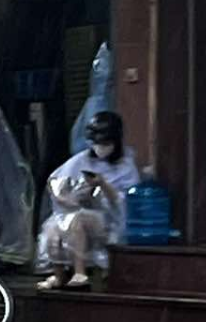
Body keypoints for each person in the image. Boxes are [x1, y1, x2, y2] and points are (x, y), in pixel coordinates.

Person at [36, 110, 139, 291]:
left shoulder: (126, 166)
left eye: (105, 143)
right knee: (53, 226)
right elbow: (55, 180)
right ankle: (59, 276)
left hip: (110, 221)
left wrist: (103, 184)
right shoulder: (82, 160)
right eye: (96, 143)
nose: (100, 148)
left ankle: (80, 272)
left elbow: (126, 202)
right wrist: (66, 198)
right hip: (82, 210)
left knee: (77, 222)